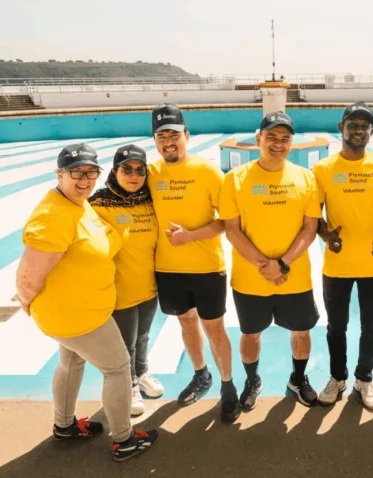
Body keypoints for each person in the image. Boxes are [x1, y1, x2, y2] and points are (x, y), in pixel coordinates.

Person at [15, 143, 157, 462]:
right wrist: (27, 302)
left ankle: (64, 426)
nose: (85, 180)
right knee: (119, 369)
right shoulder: (52, 215)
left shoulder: (77, 204)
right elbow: (28, 272)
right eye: (76, 172)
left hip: (74, 312)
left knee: (71, 362)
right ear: (59, 174)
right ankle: (124, 439)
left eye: (91, 172)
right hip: (77, 316)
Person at [220, 111, 323, 410]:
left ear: (291, 143)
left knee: (301, 331)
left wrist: (283, 264)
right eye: (272, 137)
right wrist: (264, 265)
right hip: (250, 279)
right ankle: (253, 380)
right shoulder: (235, 179)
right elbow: (231, 229)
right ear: (258, 139)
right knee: (250, 334)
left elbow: (310, 228)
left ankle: (298, 378)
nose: (278, 144)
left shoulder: (305, 178)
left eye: (285, 139)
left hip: (295, 277)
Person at [146, 104, 240, 423]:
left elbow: (227, 222)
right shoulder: (150, 173)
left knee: (214, 328)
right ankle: (202, 375)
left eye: (174, 134)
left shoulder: (208, 172)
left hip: (206, 267)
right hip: (168, 268)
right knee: (186, 322)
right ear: (155, 140)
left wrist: (191, 236)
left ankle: (228, 386)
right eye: (161, 136)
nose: (168, 141)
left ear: (187, 135)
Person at [312, 102, 373, 410]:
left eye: (365, 126)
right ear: (341, 129)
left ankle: (364, 378)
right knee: (337, 327)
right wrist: (326, 236)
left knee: (372, 326)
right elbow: (315, 215)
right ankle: (338, 377)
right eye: (353, 125)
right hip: (336, 264)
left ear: (371, 132)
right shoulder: (323, 169)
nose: (358, 130)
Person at [89, 144, 165, 417]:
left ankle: (142, 373)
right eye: (127, 169)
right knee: (126, 342)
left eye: (140, 170)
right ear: (115, 171)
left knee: (144, 335)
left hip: (149, 285)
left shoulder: (150, 200)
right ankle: (129, 384)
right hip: (120, 288)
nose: (134, 175)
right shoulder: (97, 203)